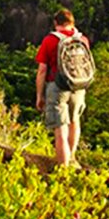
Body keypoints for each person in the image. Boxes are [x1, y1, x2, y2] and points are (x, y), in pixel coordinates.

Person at [35, 9, 90, 167]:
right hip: (78, 86)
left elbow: (42, 71)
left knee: (60, 131)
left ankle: (63, 169)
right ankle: (72, 159)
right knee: (75, 122)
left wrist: (40, 95)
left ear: (56, 23)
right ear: (72, 23)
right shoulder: (83, 40)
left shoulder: (50, 40)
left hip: (57, 87)